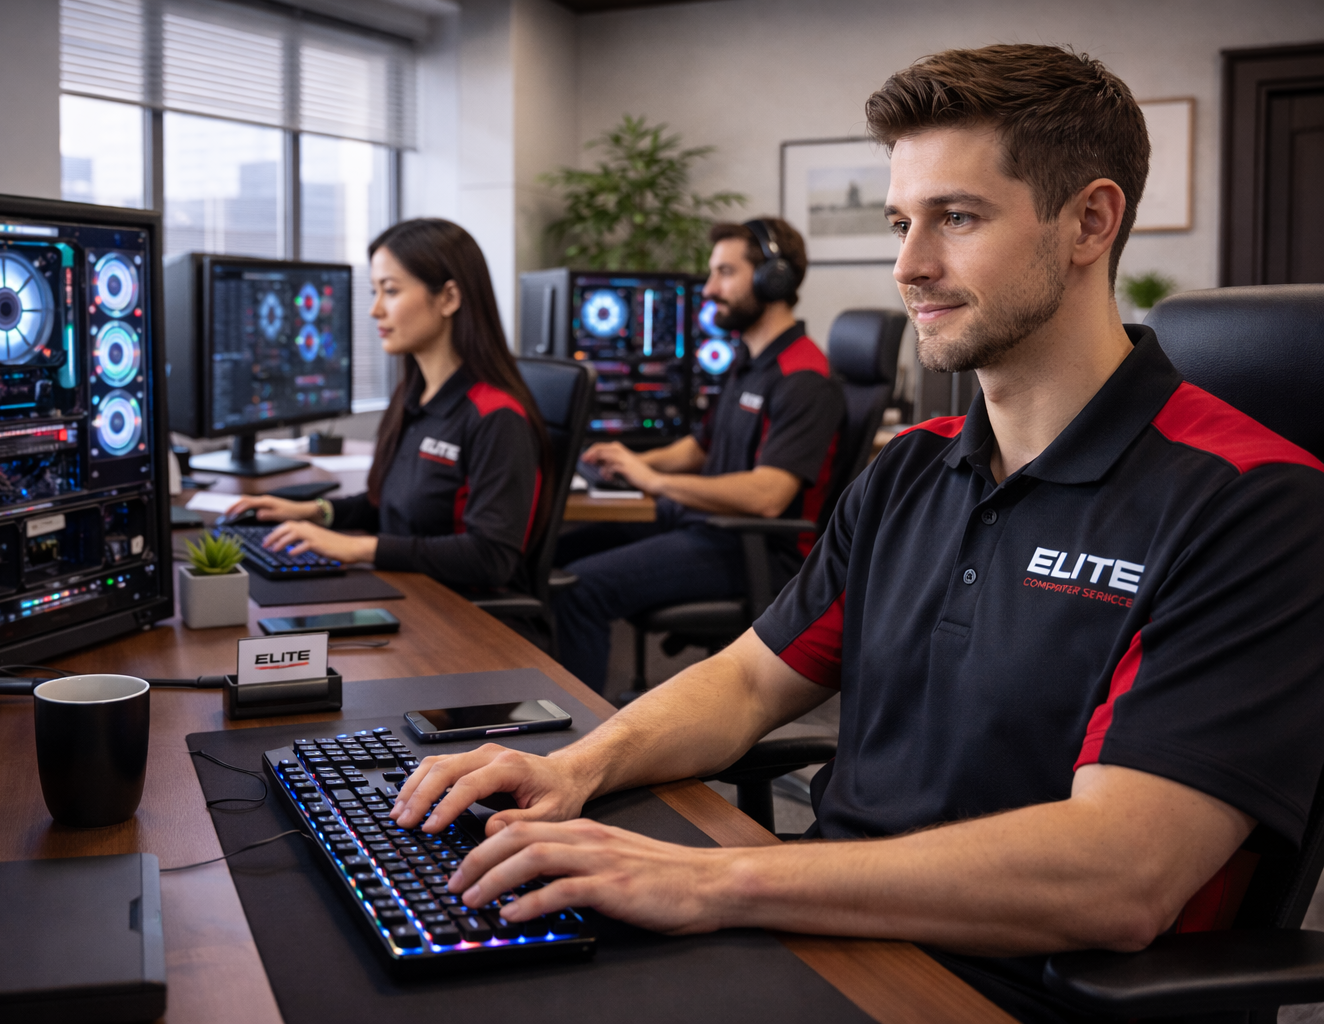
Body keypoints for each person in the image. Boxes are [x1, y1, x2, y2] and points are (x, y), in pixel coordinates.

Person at [387, 44, 1324, 1023]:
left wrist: (716, 881)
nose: (908, 265)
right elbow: (750, 679)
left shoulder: (1256, 501)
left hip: (1008, 989)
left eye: (956, 218)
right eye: (901, 221)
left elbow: (1120, 874)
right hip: (820, 933)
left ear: (1090, 220)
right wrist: (573, 765)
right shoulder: (913, 466)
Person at [553, 217, 845, 691]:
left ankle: (579, 740)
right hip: (702, 524)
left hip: (756, 549)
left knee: (582, 590)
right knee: (552, 551)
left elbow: (769, 495)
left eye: (725, 273)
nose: (709, 289)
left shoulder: (803, 377)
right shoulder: (749, 362)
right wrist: (633, 461)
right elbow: (699, 447)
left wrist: (654, 482)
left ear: (776, 278)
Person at [228, 218, 553, 595]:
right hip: (412, 592)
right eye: (374, 292)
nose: (375, 310)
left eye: (391, 291)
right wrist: (315, 512)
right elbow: (393, 506)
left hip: (466, 620)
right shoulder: (411, 396)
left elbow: (491, 557)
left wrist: (359, 548)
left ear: (448, 298)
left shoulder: (496, 417)